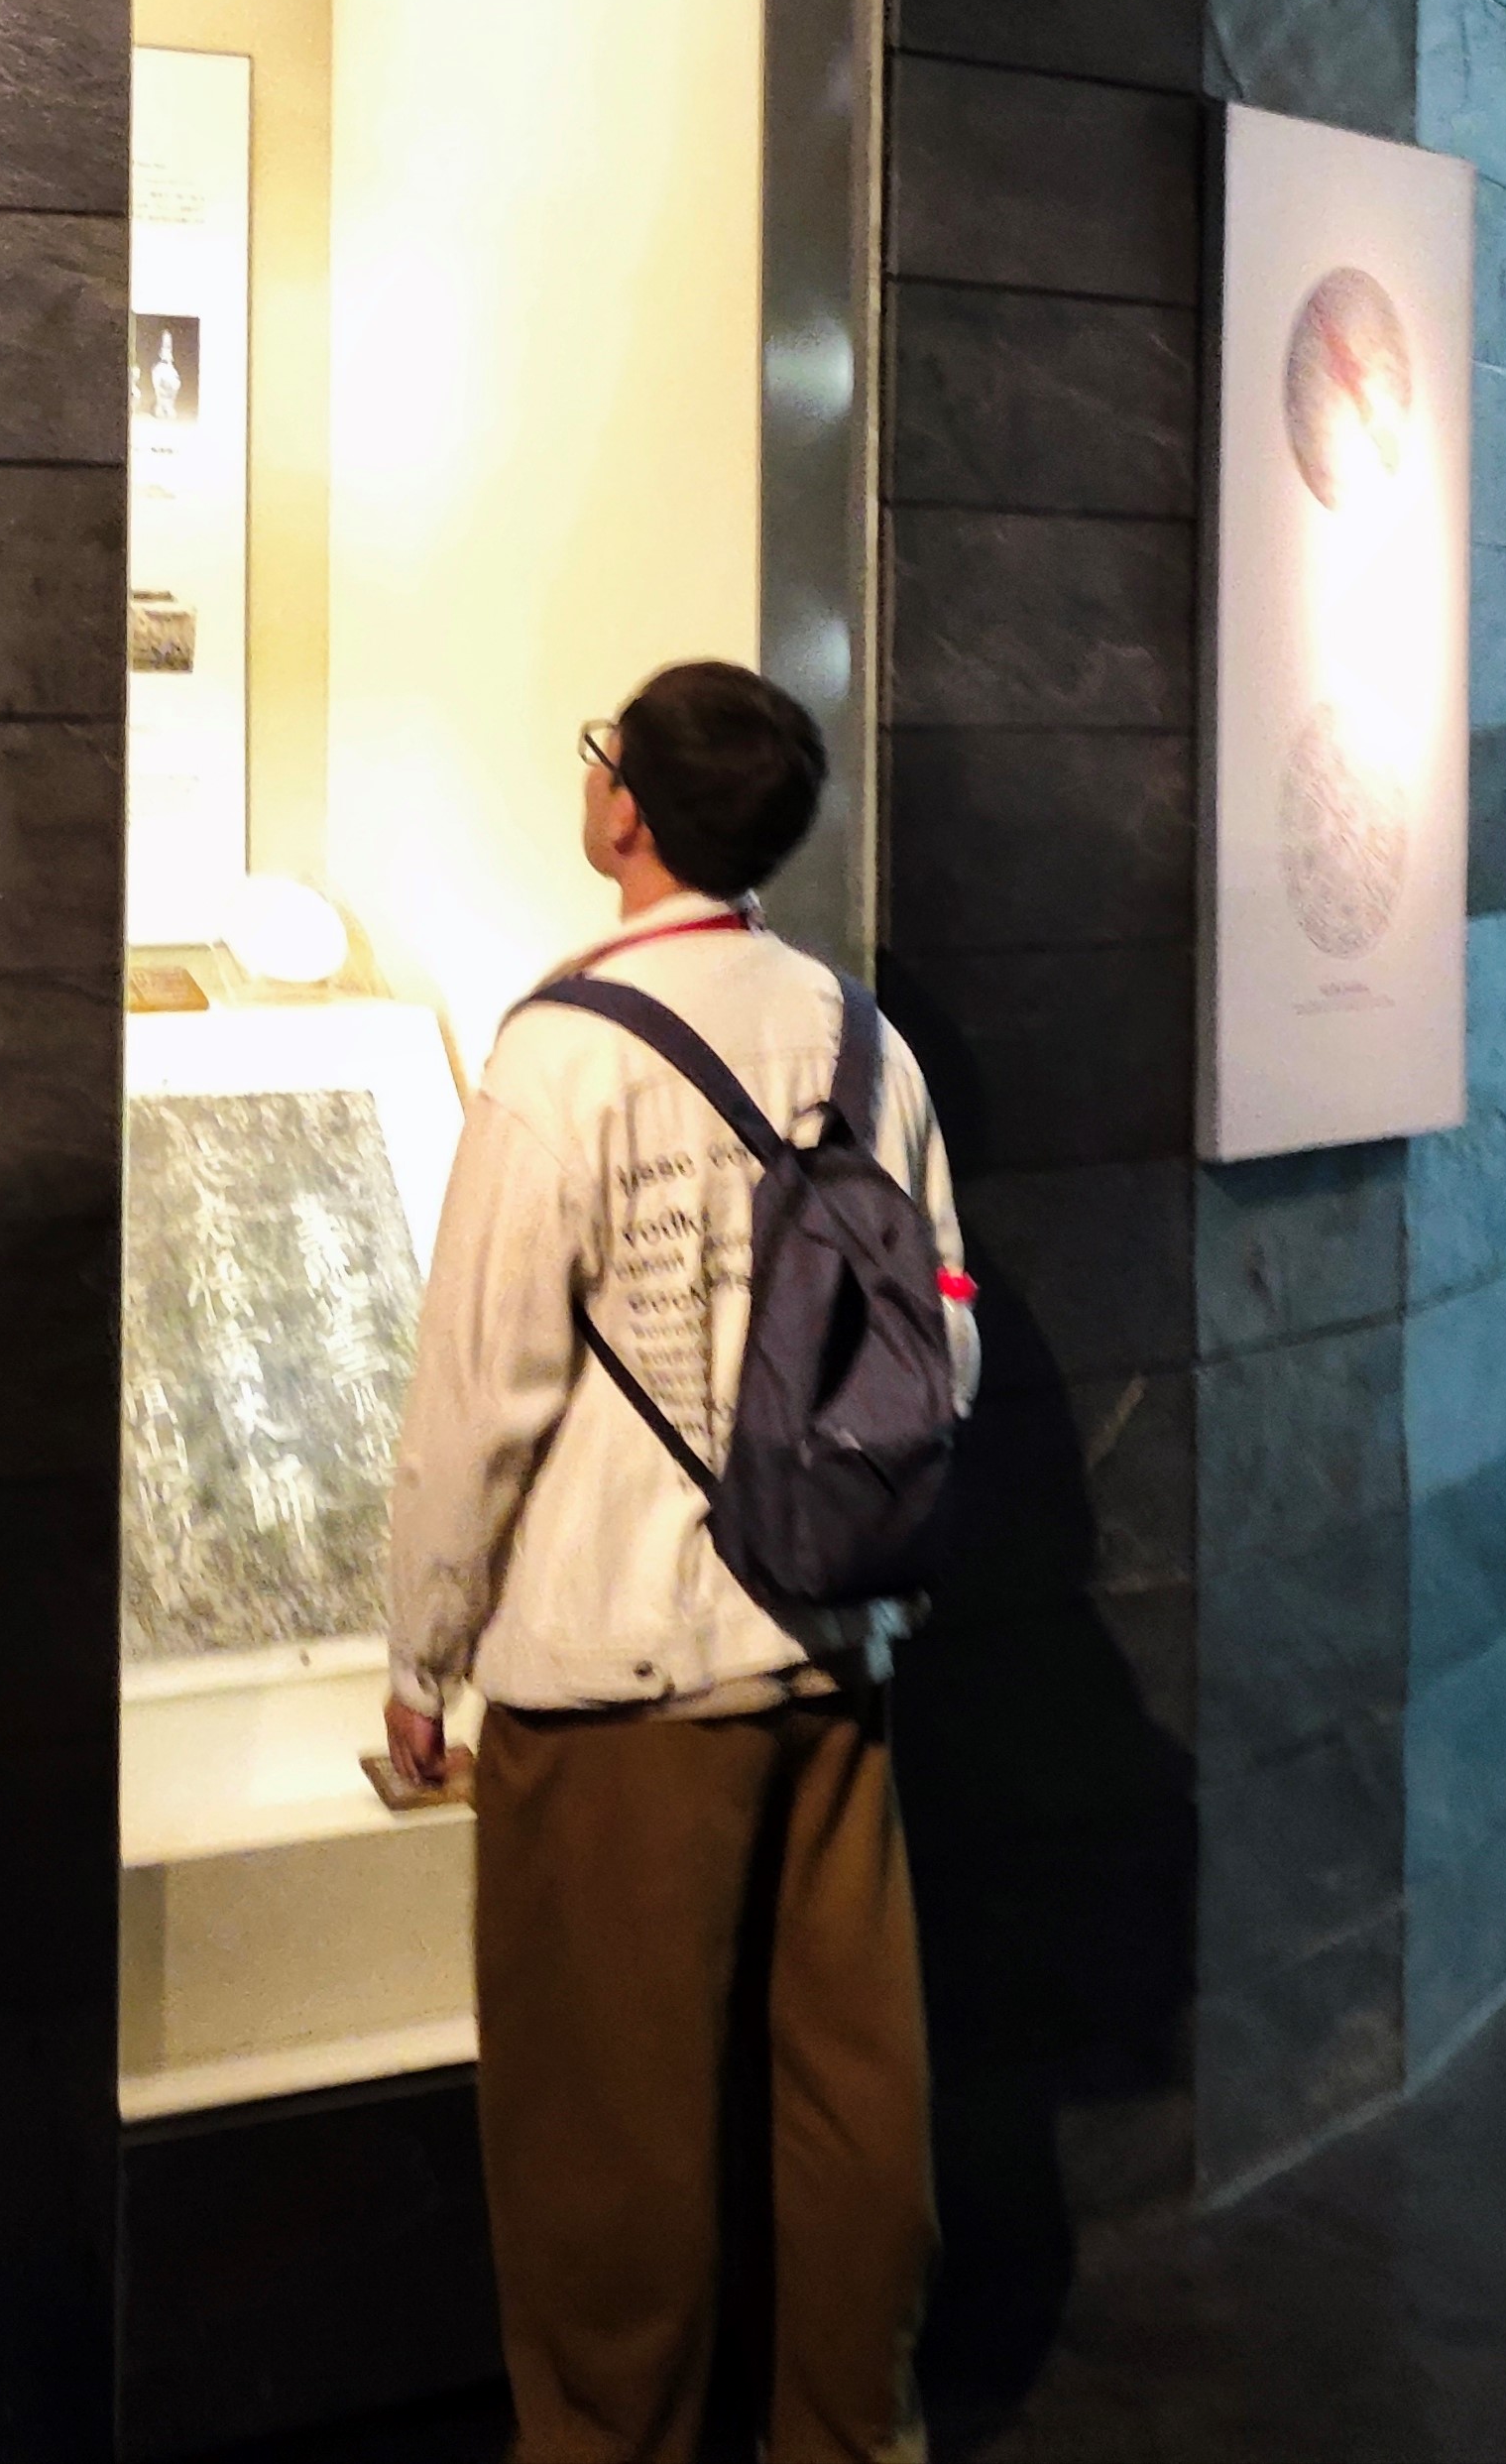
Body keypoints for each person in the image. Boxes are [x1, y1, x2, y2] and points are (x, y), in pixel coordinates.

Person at [382, 659, 981, 2464]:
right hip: (832, 1648)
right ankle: (850, 2436)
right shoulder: (860, 1041)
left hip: (617, 1686)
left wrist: (420, 1659)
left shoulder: (560, 1056)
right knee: (849, 2100)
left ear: (625, 811)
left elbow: (478, 1394)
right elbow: (943, 1339)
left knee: (603, 2144)